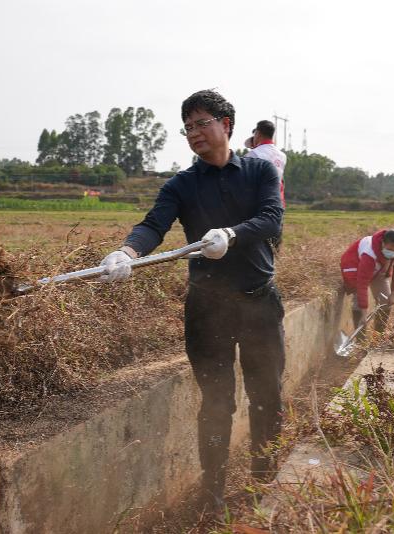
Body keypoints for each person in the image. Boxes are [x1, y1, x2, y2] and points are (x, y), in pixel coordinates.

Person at [97, 90, 285, 510]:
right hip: (208, 309)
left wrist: (232, 233)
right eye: (187, 127)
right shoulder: (180, 185)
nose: (194, 133)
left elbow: (272, 218)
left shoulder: (258, 172)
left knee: (266, 395)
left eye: (202, 123)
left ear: (226, 125)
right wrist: (127, 253)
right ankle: (212, 491)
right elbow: (153, 226)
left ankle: (263, 482)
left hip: (259, 304)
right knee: (217, 400)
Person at [340, 229, 394, 339]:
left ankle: (379, 336)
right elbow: (362, 284)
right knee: (358, 300)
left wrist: (393, 294)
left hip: (379, 269)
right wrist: (363, 316)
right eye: (389, 249)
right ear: (382, 243)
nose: (392, 252)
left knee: (386, 303)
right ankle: (360, 340)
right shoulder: (369, 254)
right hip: (355, 266)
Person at [244, 121, 287, 250]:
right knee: (275, 238)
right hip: (278, 201)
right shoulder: (282, 156)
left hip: (259, 203)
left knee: (259, 240)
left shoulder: (253, 154)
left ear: (257, 134)